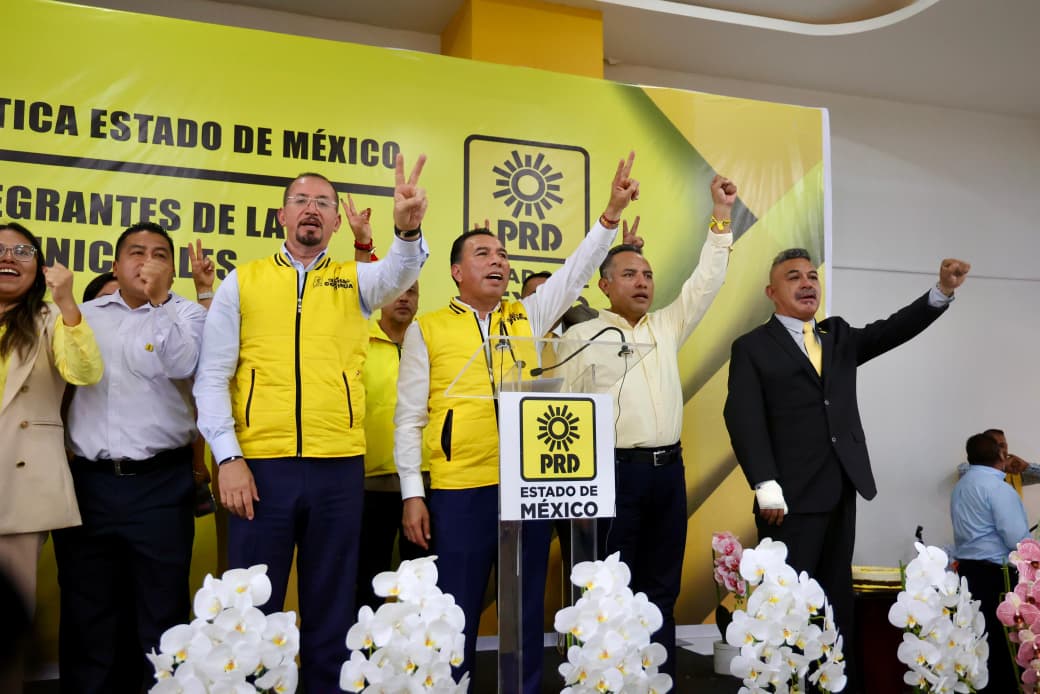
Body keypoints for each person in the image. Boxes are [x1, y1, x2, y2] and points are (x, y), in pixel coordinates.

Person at [396, 152, 640, 692]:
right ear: (457, 272)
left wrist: (609, 216)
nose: (498, 262)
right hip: (460, 489)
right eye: (483, 253)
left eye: (503, 254)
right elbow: (409, 418)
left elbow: (576, 271)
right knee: (454, 609)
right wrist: (414, 492)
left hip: (526, 487)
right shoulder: (427, 329)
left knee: (525, 608)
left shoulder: (526, 316)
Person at [194, 156, 429, 691]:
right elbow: (211, 378)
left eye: (323, 203)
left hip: (337, 468)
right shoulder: (243, 281)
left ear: (336, 222)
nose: (311, 209)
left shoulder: (355, 280)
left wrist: (407, 230)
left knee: (333, 601)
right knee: (251, 607)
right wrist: (229, 458)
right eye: (301, 200)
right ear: (282, 215)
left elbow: (399, 274)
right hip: (260, 468)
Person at [723, 248, 971, 690]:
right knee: (788, 604)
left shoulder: (835, 335)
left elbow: (891, 331)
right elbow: (743, 417)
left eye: (812, 276)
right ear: (771, 292)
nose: (807, 283)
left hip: (841, 486)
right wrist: (765, 483)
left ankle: (838, 684)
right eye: (793, 277)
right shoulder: (752, 347)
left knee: (836, 598)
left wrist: (941, 292)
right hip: (788, 498)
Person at [558, 178, 736, 680]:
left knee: (661, 589)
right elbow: (564, 418)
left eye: (648, 274)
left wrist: (721, 215)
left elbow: (706, 281)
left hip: (668, 474)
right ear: (604, 285)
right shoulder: (581, 336)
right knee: (610, 590)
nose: (642, 282)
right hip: (614, 475)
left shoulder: (666, 326)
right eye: (630, 274)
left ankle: (658, 682)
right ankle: (608, 683)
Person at [54, 221, 206, 694]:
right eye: (136, 253)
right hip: (90, 484)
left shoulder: (189, 315)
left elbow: (182, 363)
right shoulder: (83, 315)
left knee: (162, 612)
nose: (148, 262)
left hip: (162, 483)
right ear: (116, 266)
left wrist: (159, 303)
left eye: (160, 255)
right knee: (88, 611)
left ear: (173, 270)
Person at [0, 222, 103, 693]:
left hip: (19, 488)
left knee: (4, 628)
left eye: (21, 251)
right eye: (1, 250)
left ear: (39, 268)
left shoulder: (50, 319)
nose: (9, 258)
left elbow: (84, 372)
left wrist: (67, 304)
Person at [355, 281, 430, 610]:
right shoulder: (360, 341)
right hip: (370, 482)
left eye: (412, 292)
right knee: (368, 578)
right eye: (397, 291)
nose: (404, 298)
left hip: (426, 482)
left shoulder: (428, 341)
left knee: (423, 583)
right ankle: (368, 642)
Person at [951, 432, 1028, 694]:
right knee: (1004, 648)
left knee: (979, 644)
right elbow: (1017, 540)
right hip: (998, 576)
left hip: (967, 573)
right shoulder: (999, 488)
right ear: (1001, 455)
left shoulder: (961, 487)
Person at [956, 428, 1040, 496]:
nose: (1002, 450)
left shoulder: (1014, 471)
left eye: (1003, 446)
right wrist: (1000, 467)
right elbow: (962, 472)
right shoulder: (971, 470)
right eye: (997, 446)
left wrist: (1026, 466)